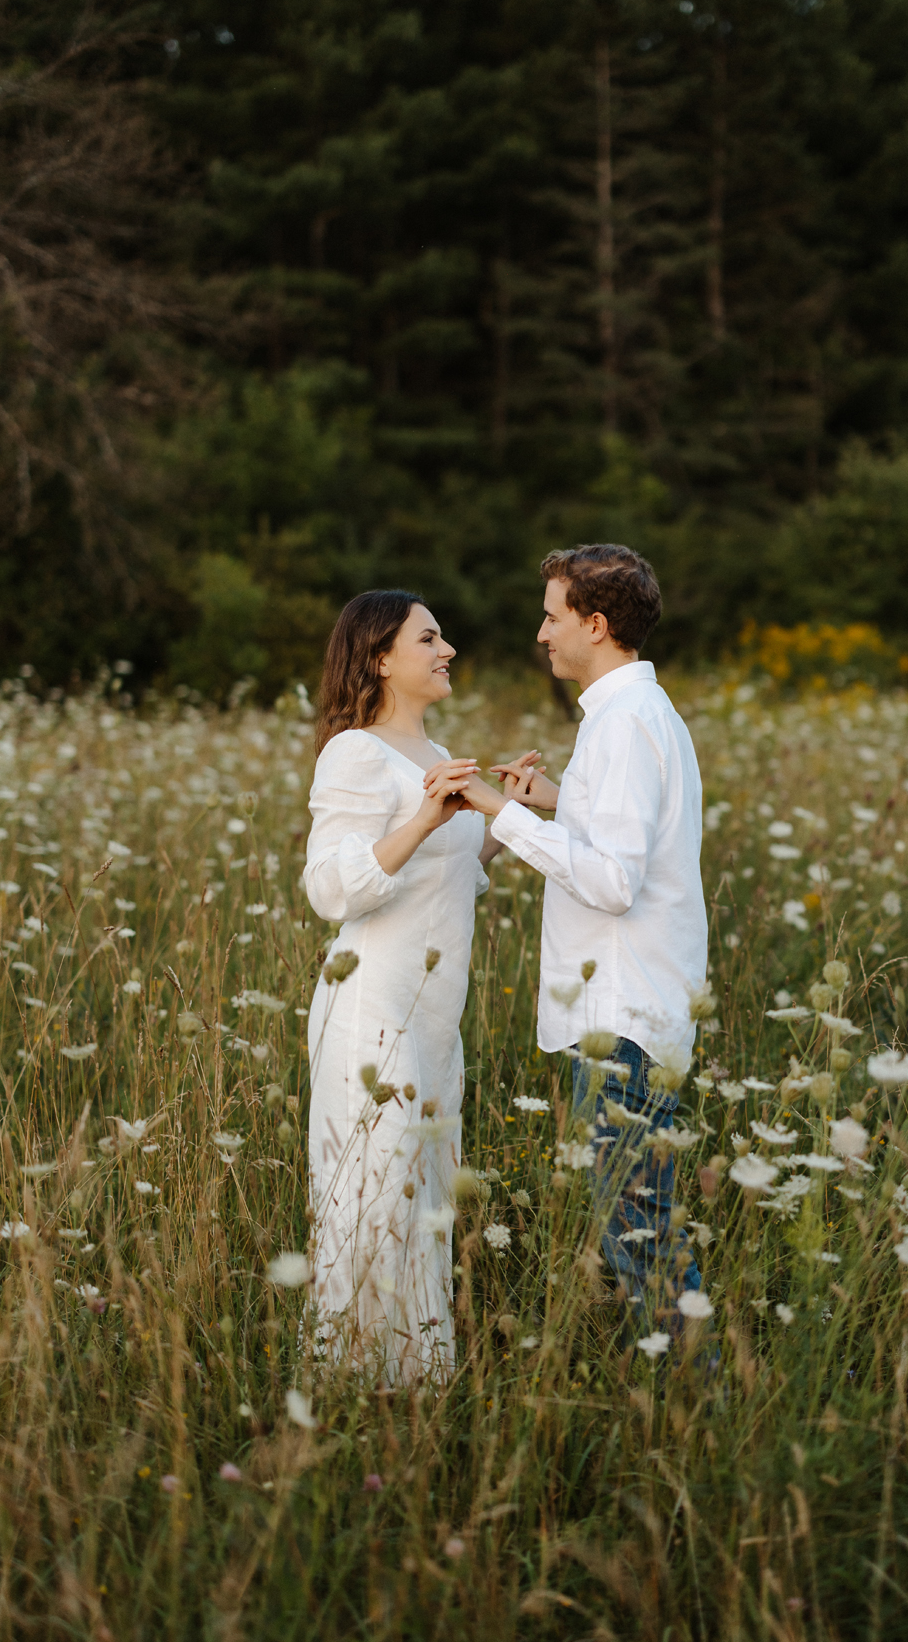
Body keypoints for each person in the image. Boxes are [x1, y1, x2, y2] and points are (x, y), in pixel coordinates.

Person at [445, 545, 710, 1343]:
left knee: (639, 1234)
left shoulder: (625, 724)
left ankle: (693, 1390)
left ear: (595, 625)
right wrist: (557, 801)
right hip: (630, 1005)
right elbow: (632, 840)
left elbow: (615, 882)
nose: (541, 633)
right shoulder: (633, 715)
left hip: (624, 1014)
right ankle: (676, 1382)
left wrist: (500, 811)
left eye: (553, 617)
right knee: (632, 1225)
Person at [302, 589, 510, 1384]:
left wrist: (501, 824)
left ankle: (417, 1385)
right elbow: (331, 887)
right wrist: (424, 818)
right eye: (429, 638)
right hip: (371, 1008)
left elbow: (444, 878)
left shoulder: (434, 751)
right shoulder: (355, 753)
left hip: (433, 1017)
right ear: (382, 657)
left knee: (424, 1200)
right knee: (373, 1200)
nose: (447, 648)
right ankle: (350, 1387)